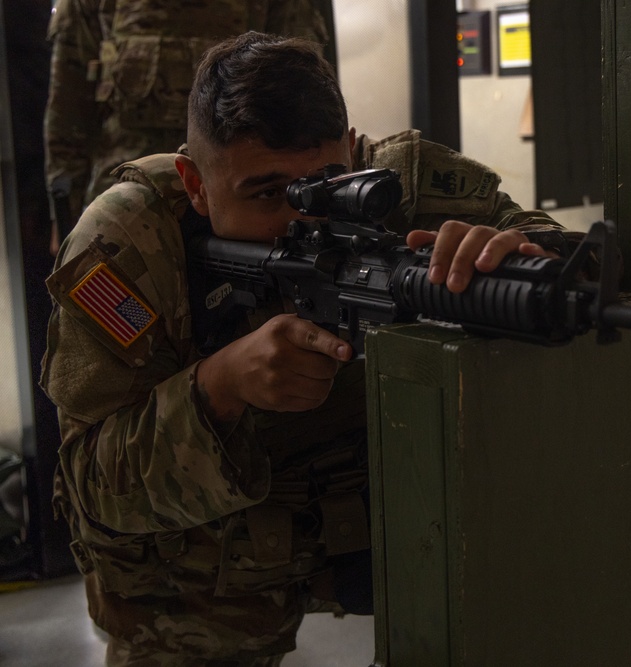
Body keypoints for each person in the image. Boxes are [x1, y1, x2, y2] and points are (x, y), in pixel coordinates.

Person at [41, 31, 569, 665]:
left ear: (352, 150)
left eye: (327, 183)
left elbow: (566, 262)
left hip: (390, 521)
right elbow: (91, 491)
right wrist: (218, 389)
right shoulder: (127, 244)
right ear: (197, 183)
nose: (307, 219)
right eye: (267, 194)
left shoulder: (403, 182)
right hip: (201, 568)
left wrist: (516, 258)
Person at [43, 0, 332, 246]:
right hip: (127, 213)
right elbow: (68, 108)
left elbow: (305, 93)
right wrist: (66, 217)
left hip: (246, 211)